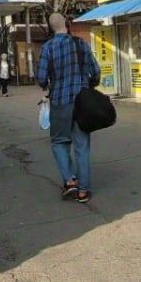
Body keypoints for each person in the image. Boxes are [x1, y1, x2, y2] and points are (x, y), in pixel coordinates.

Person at [37, 13, 99, 204]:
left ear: (51, 27)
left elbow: (41, 77)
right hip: (82, 103)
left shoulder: (47, 47)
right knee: (82, 146)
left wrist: (48, 87)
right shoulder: (81, 44)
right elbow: (95, 71)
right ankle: (83, 191)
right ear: (66, 23)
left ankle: (70, 181)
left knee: (59, 142)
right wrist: (90, 85)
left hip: (60, 102)